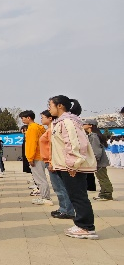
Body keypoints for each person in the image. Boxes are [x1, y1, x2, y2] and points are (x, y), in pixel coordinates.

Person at [48, 95, 98, 239]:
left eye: (50, 105)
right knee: (75, 195)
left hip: (73, 166)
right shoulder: (62, 122)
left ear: (60, 106)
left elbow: (74, 144)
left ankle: (86, 227)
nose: (49, 108)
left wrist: (73, 163)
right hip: (67, 166)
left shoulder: (68, 122)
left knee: (78, 196)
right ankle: (82, 224)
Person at [39, 110, 75, 219]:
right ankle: (63, 208)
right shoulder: (50, 129)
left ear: (50, 118)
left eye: (43, 117)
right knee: (58, 187)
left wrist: (51, 161)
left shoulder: (52, 130)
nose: (41, 119)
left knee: (60, 187)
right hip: (50, 161)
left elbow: (52, 147)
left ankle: (67, 210)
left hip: (53, 162)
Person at [20, 110, 53, 206]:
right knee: (41, 178)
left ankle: (45, 198)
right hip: (41, 155)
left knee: (40, 179)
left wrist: (30, 158)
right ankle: (45, 196)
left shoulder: (32, 128)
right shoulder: (39, 127)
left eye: (23, 118)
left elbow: (31, 144)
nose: (22, 120)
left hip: (36, 157)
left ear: (28, 118)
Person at [83, 119, 114, 201]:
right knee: (101, 178)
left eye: (84, 124)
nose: (83, 125)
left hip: (99, 162)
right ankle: (103, 193)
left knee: (103, 178)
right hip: (98, 161)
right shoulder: (92, 135)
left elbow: (96, 151)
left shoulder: (94, 136)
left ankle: (107, 194)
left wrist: (94, 161)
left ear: (90, 125)